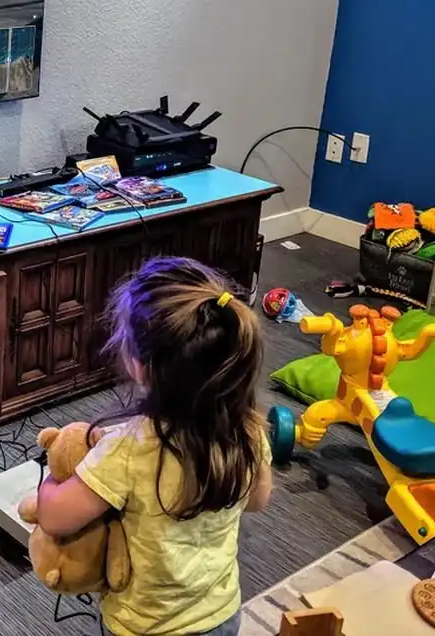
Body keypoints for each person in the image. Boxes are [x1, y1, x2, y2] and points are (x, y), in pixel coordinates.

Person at [35, 257, 273, 636]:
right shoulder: (249, 429)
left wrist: (52, 476)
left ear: (140, 365)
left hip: (145, 625)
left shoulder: (128, 448)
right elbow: (258, 500)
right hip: (221, 615)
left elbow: (54, 517)